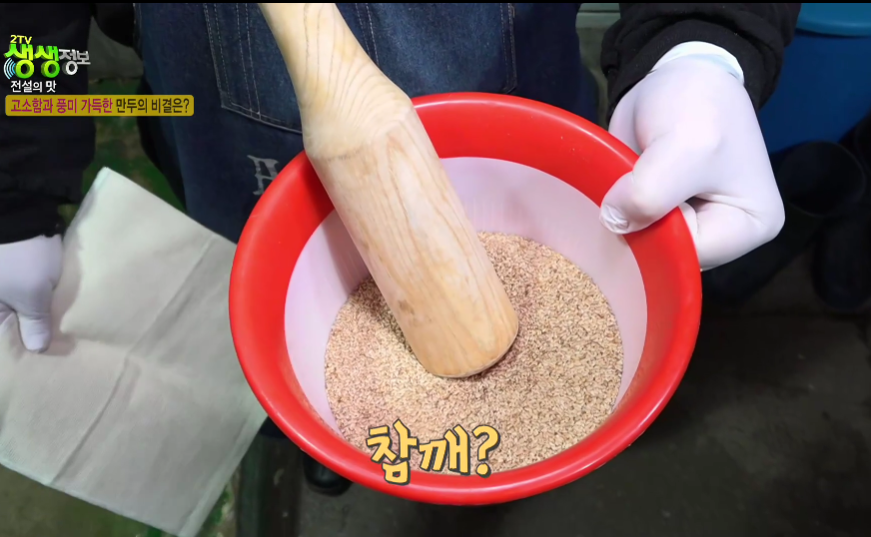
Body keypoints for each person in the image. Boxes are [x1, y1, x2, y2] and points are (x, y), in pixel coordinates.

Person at [0, 3, 801, 495]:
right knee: (265, 347)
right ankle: (315, 440)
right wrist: (15, 181)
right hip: (219, 125)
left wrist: (700, 41)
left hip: (518, 96)